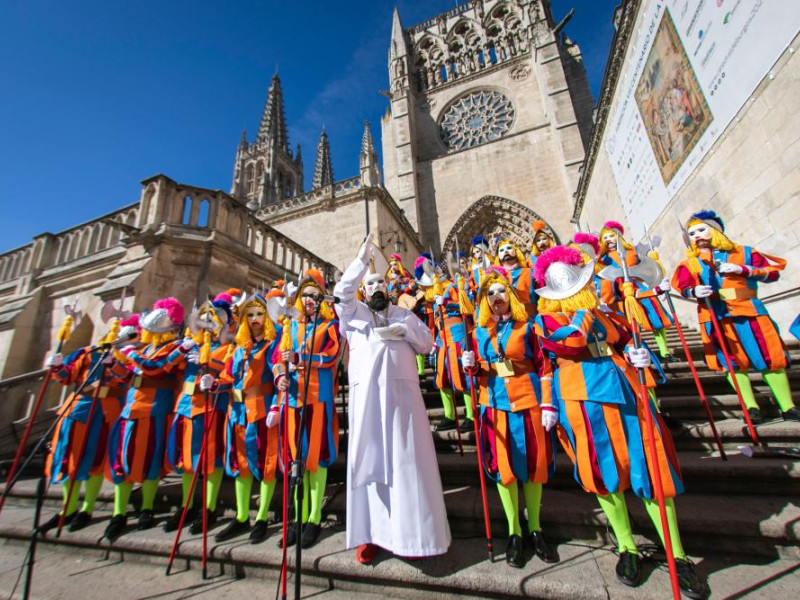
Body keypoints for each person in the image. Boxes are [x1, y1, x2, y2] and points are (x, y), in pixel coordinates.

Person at [533, 246, 707, 599]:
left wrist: (635, 352)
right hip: (580, 396)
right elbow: (567, 346)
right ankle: (626, 546)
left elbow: (625, 337)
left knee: (650, 466)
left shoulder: (606, 313)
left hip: (623, 388)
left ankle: (677, 553)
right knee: (603, 473)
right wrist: (582, 313)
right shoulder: (546, 321)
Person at [333, 232, 451, 564]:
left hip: (404, 404)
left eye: (381, 285)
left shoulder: (403, 314)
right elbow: (340, 293)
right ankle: (370, 535)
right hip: (367, 402)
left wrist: (407, 331)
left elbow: (427, 344)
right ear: (363, 291)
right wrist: (361, 259)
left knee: (408, 467)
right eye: (370, 286)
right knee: (370, 469)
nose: (376, 289)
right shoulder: (353, 314)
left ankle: (416, 538)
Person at [461, 267, 558, 568]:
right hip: (494, 405)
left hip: (528, 401)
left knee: (533, 466)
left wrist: (548, 405)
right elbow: (479, 372)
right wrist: (471, 367)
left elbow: (544, 366)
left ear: (511, 295)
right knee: (503, 468)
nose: (495, 297)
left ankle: (536, 528)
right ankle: (514, 531)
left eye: (501, 291)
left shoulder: (529, 326)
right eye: (489, 293)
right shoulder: (478, 333)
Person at [671, 210, 798, 423]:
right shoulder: (690, 264)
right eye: (692, 234)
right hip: (716, 316)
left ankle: (787, 406)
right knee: (731, 362)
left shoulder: (744, 252)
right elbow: (682, 285)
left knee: (769, 356)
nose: (697, 236)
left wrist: (744, 269)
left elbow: (772, 273)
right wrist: (693, 292)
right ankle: (750, 407)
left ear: (715, 230)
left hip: (749, 311)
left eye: (701, 230)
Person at [38, 315, 135, 533]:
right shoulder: (86, 353)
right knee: (70, 458)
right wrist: (56, 366)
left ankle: (88, 508)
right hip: (80, 409)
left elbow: (129, 378)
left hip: (109, 410)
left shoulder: (128, 355)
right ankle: (68, 508)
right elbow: (67, 376)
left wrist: (115, 363)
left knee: (99, 459)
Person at [200, 292, 283, 543]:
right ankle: (242, 516)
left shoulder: (272, 346)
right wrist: (213, 382)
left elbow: (280, 377)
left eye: (259, 314)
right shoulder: (238, 349)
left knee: (266, 465)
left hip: (260, 411)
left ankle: (260, 519)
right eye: (250, 315)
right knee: (240, 466)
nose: (255, 319)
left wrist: (277, 407)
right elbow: (229, 377)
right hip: (236, 413)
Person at [104, 298, 188, 541]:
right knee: (122, 459)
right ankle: (119, 513)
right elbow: (119, 378)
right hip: (129, 410)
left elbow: (156, 367)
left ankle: (147, 508)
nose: (150, 334)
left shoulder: (175, 348)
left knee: (151, 459)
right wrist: (115, 359)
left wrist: (130, 353)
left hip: (156, 409)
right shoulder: (140, 350)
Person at [274, 269, 341, 549]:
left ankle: (313, 518)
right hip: (292, 399)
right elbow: (278, 357)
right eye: (305, 295)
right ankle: (297, 518)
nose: (310, 299)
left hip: (317, 396)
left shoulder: (329, 327)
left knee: (317, 457)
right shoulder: (290, 327)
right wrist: (280, 374)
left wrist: (301, 358)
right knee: (296, 460)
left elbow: (331, 355)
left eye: (315, 295)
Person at [164, 294, 234, 535]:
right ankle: (186, 506)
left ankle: (209, 507)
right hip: (185, 406)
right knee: (187, 461)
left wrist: (211, 369)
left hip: (210, 406)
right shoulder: (190, 344)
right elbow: (166, 365)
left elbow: (230, 373)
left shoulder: (225, 349)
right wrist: (183, 348)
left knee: (210, 459)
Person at [598, 221, 676, 362]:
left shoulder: (633, 251)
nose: (609, 240)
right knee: (628, 326)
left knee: (655, 319)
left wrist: (653, 262)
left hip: (639, 288)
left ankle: (664, 351)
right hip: (619, 293)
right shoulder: (603, 260)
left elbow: (648, 267)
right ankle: (635, 352)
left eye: (611, 236)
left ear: (619, 236)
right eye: (605, 237)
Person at [494, 235, 537, 318]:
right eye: (502, 250)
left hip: (530, 318)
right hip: (507, 323)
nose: (506, 251)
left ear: (516, 252)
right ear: (498, 257)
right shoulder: (496, 277)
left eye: (509, 248)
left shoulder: (529, 271)